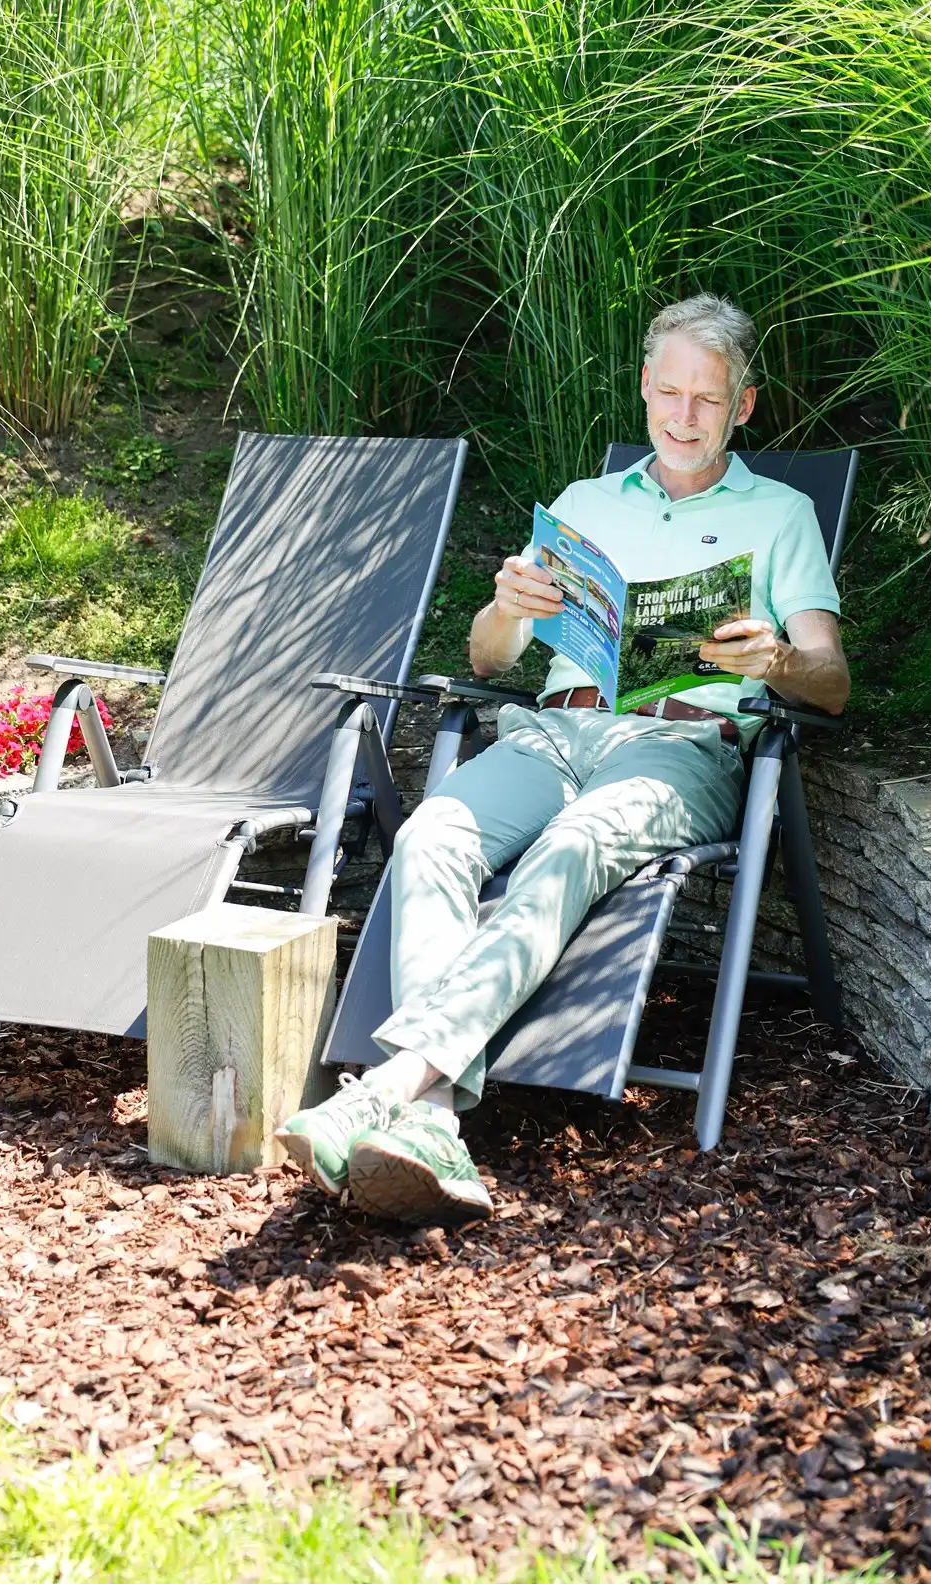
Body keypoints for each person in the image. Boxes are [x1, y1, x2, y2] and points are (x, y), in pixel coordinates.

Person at [278, 294, 849, 1224]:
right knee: (434, 832)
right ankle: (429, 1117)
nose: (683, 417)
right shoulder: (585, 506)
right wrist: (507, 606)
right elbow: (487, 662)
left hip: (678, 749)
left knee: (575, 846)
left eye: (708, 400)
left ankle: (387, 1091)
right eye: (668, 393)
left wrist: (774, 659)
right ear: (643, 390)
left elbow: (831, 683)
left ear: (743, 406)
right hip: (554, 730)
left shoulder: (781, 516)